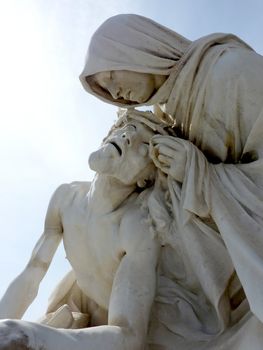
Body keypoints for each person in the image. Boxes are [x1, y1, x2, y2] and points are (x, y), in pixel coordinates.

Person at [78, 13, 263, 348]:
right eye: (105, 89)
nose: (113, 90)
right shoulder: (169, 119)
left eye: (110, 74)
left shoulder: (230, 71)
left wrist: (199, 173)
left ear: (136, 47)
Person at [0, 110, 174, 350]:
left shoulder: (136, 228)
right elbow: (32, 273)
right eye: (124, 128)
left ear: (146, 178)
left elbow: (130, 335)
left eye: (141, 144)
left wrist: (30, 335)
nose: (126, 137)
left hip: (113, 334)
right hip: (77, 308)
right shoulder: (66, 198)